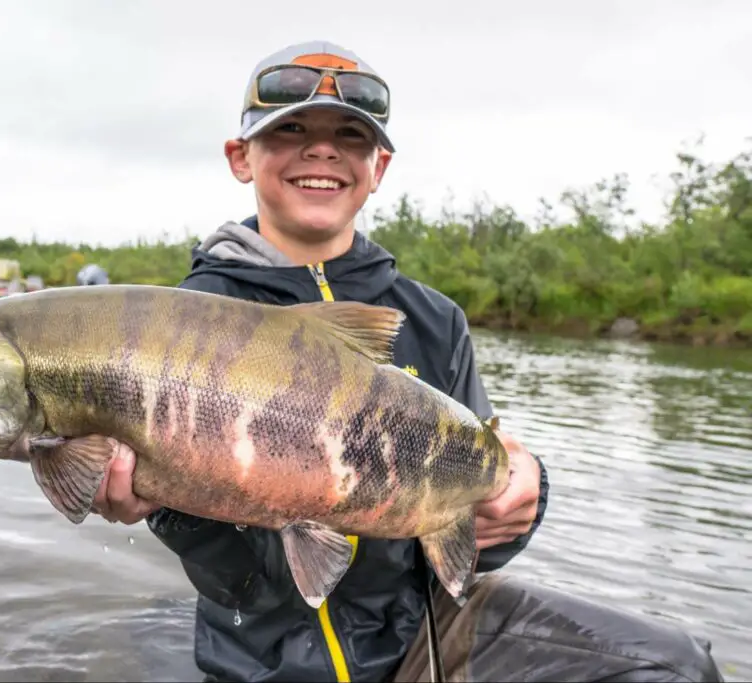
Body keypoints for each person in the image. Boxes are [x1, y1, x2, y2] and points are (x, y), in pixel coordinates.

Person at [85, 41, 724, 683]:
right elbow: (241, 581)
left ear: (378, 166)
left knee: (678, 665)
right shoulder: (187, 318)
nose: (322, 149)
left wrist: (525, 495)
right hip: (266, 662)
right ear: (239, 157)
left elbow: (475, 526)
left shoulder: (434, 320)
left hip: (426, 633)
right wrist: (164, 502)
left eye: (350, 137)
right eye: (291, 130)